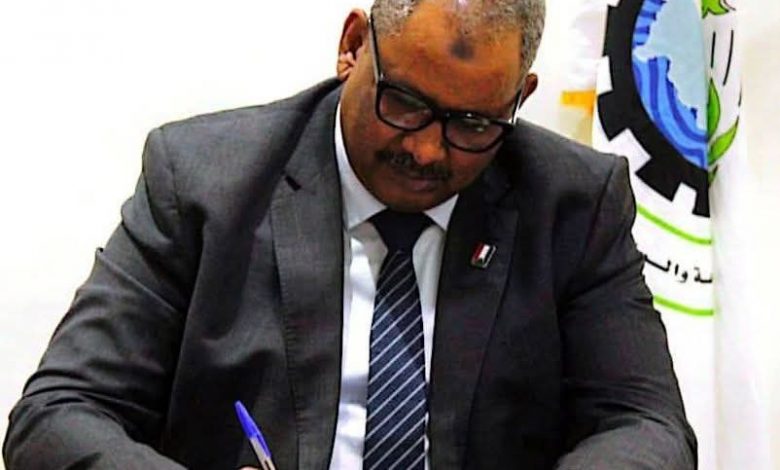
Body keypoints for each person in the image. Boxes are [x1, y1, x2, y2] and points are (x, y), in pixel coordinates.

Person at [3, 0, 697, 468]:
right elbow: (56, 415)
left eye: (472, 124)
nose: (427, 150)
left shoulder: (574, 205)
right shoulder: (203, 182)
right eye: (406, 103)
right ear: (353, 46)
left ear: (519, 97)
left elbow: (649, 428)